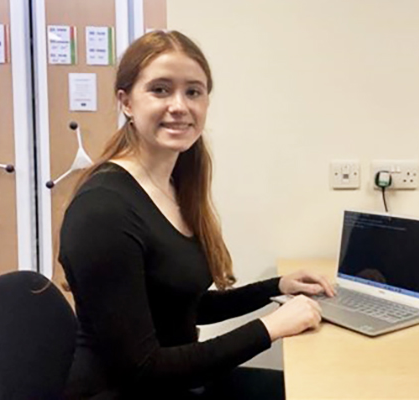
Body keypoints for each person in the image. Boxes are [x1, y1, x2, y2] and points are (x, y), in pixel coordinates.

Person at [58, 30, 336, 400]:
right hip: (132, 390)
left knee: (318, 389)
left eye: (193, 91)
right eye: (160, 89)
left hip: (176, 383)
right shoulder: (103, 210)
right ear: (126, 102)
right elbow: (145, 367)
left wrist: (276, 287)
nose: (180, 105)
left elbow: (181, 305)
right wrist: (270, 327)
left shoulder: (173, 187)